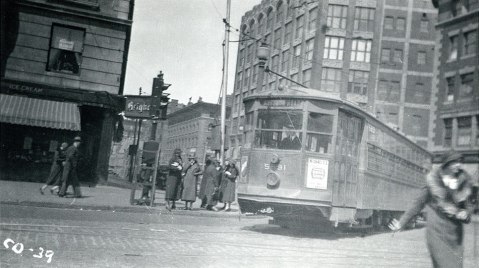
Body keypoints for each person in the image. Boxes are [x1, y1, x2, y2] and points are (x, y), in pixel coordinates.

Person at [388, 151, 478, 268]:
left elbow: (470, 204)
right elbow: (417, 204)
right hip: (437, 231)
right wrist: (401, 223)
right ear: (447, 163)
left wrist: (466, 213)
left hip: (455, 234)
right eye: (455, 162)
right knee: (443, 264)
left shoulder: (464, 181)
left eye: (460, 162)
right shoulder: (432, 181)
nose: (459, 165)